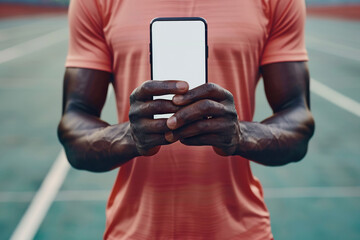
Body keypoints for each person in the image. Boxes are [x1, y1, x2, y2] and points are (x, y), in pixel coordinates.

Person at [58, 0, 315, 239]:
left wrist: (240, 135)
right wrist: (129, 137)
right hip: (133, 231)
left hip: (241, 230)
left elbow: (298, 120)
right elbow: (74, 125)